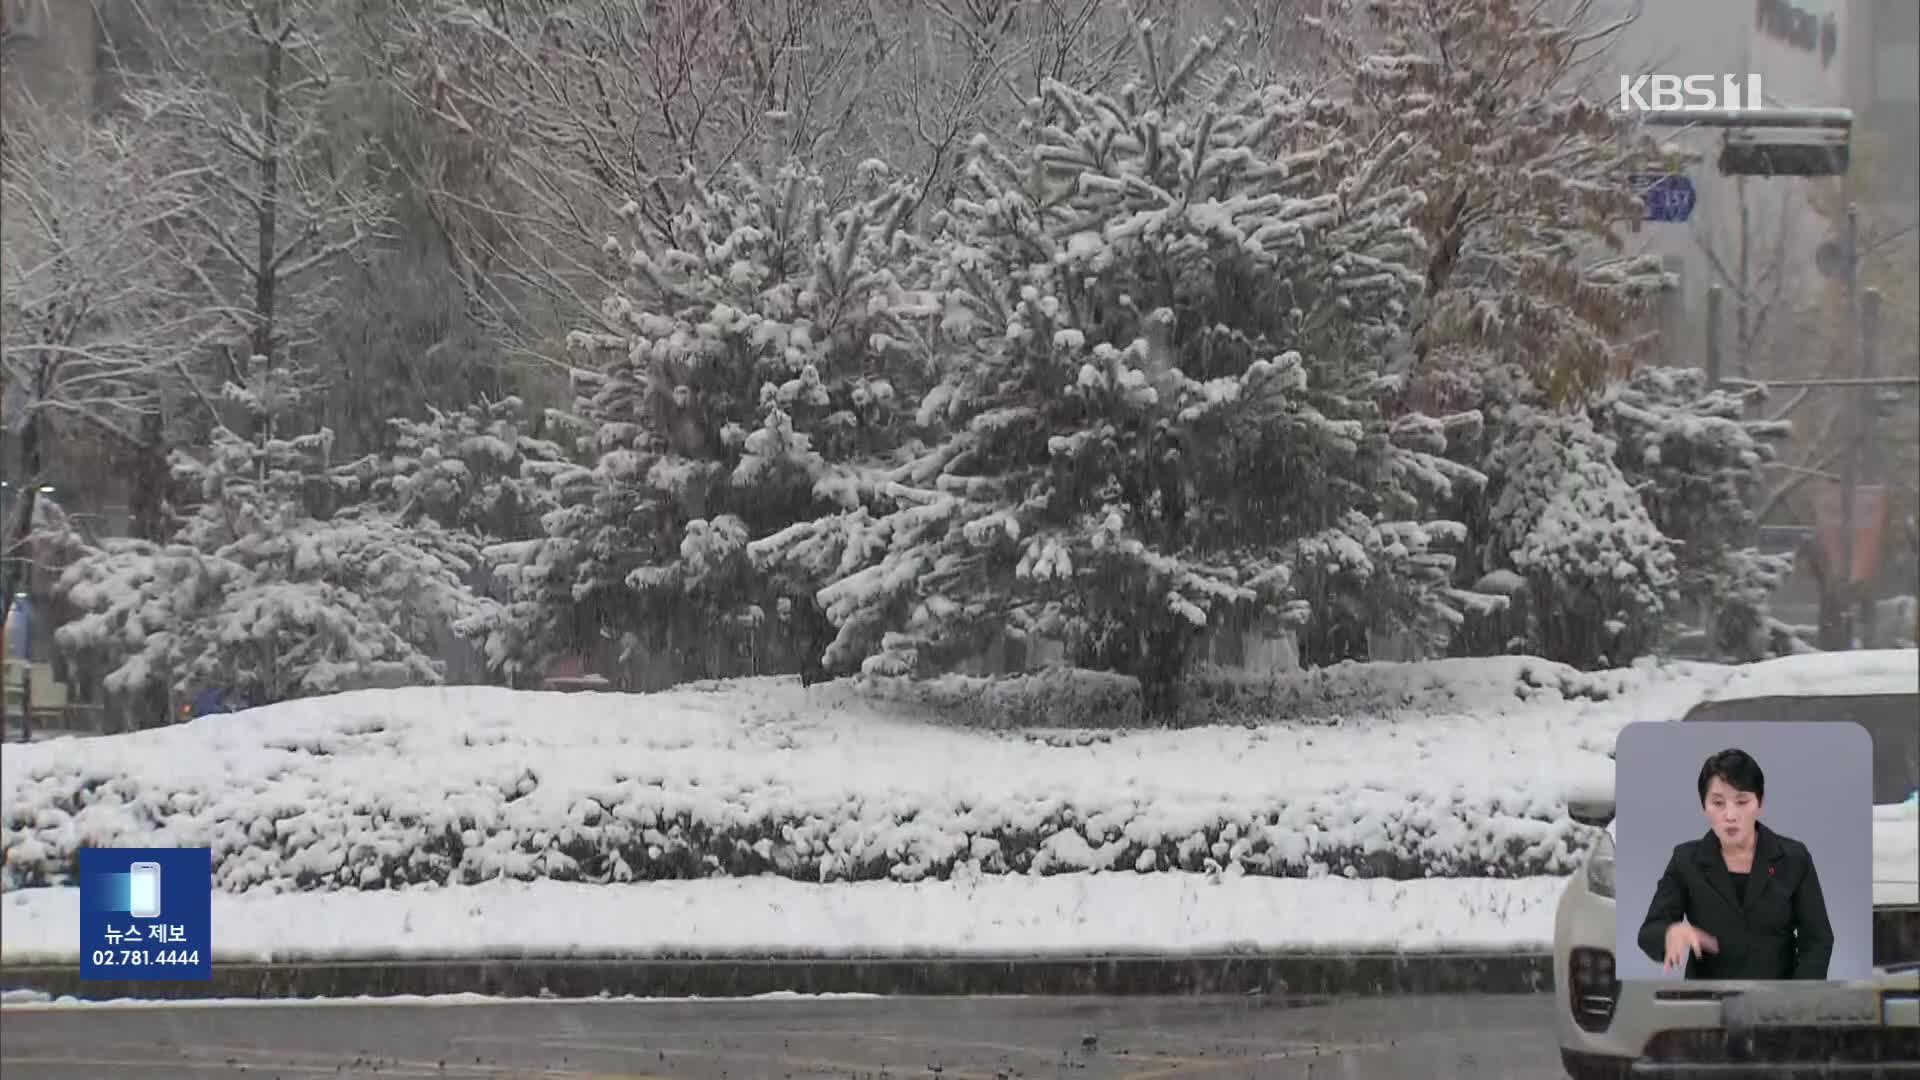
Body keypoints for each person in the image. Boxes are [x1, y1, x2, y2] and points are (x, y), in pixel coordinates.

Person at [1636, 748, 1834, 980]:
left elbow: (1818, 939)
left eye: (1741, 801)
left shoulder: (1793, 858)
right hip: (1708, 1003)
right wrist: (1670, 932)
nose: (1730, 815)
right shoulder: (1686, 861)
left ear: (1759, 803)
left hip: (1776, 1003)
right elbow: (1649, 932)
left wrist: (1797, 999)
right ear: (1704, 806)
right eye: (1718, 803)